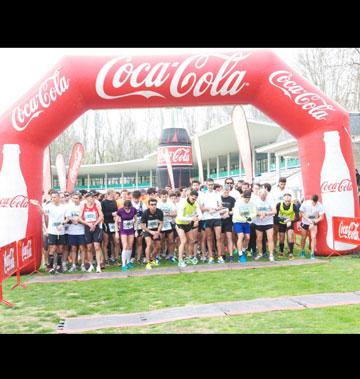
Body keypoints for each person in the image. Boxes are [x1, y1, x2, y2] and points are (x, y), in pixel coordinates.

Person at [30, 192, 67, 274]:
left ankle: (59, 266)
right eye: (52, 197)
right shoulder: (49, 206)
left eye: (55, 197)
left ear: (58, 198)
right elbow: (42, 212)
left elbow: (67, 218)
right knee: (52, 248)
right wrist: (38, 205)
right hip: (52, 231)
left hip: (61, 231)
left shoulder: (63, 207)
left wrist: (62, 224)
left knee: (60, 248)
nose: (53, 199)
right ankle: (50, 266)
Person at [199, 178, 224, 264]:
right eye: (209, 185)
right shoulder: (202, 195)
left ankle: (220, 256)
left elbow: (220, 206)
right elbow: (201, 208)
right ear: (206, 185)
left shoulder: (217, 194)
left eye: (212, 184)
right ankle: (211, 257)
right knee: (209, 238)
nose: (210, 186)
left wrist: (216, 209)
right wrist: (208, 209)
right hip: (206, 218)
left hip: (216, 217)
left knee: (219, 237)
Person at [175, 190, 202, 267]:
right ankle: (180, 260)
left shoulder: (195, 203)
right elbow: (179, 216)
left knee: (192, 240)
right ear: (189, 196)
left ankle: (189, 257)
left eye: (195, 198)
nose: (194, 199)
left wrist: (197, 219)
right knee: (183, 241)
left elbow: (200, 214)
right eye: (192, 198)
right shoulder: (182, 203)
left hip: (188, 224)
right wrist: (191, 219)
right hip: (180, 223)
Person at [79, 192, 104, 273]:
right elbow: (79, 218)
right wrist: (88, 224)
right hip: (87, 227)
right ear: (86, 199)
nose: (91, 199)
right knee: (89, 247)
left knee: (97, 246)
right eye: (89, 198)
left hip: (96, 227)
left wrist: (95, 224)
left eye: (92, 198)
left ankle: (98, 265)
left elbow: (101, 216)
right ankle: (91, 265)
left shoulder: (97, 206)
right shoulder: (83, 207)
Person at [64, 192, 87, 272]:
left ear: (80, 199)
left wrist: (80, 221)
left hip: (81, 230)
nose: (75, 200)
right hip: (72, 231)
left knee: (82, 248)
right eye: (73, 198)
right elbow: (67, 218)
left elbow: (85, 217)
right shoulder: (69, 207)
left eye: (76, 198)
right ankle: (73, 265)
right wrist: (72, 220)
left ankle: (82, 265)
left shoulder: (83, 206)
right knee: (73, 248)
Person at [232, 190, 257, 263]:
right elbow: (236, 215)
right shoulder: (238, 202)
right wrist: (245, 219)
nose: (247, 199)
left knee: (248, 238)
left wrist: (249, 218)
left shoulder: (252, 203)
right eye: (246, 198)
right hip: (238, 221)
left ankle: (243, 250)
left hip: (246, 222)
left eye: (249, 198)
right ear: (243, 196)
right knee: (241, 236)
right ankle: (240, 255)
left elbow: (254, 213)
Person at [252, 188, 277, 262]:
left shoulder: (270, 200)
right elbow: (253, 211)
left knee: (270, 239)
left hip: (268, 222)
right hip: (258, 222)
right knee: (259, 239)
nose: (263, 197)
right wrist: (260, 214)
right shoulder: (255, 201)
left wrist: (266, 213)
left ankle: (271, 255)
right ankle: (260, 253)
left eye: (264, 195)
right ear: (259, 194)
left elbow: (275, 211)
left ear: (266, 194)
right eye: (262, 195)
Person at [299, 194, 325, 259]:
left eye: (315, 202)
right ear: (311, 200)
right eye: (313, 202)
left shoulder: (319, 205)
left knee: (313, 237)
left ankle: (312, 254)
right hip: (305, 222)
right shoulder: (305, 203)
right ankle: (302, 251)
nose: (314, 203)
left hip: (313, 222)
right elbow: (301, 212)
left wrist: (313, 222)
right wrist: (307, 219)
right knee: (303, 237)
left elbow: (321, 217)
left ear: (317, 201)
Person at [275, 193, 300, 260]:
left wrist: (290, 221)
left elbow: (297, 218)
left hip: (290, 223)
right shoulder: (279, 205)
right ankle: (281, 252)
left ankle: (290, 253)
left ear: (291, 200)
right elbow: (275, 217)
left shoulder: (294, 206)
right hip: (281, 223)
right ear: (283, 200)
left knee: (290, 236)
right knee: (281, 237)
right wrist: (283, 220)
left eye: (289, 201)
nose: (287, 202)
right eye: (286, 201)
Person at [141, 199, 164, 270]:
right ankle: (148, 263)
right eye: (152, 204)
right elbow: (142, 226)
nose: (153, 206)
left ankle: (152, 259)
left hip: (156, 230)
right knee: (149, 244)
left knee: (158, 246)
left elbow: (161, 223)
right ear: (149, 205)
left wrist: (157, 232)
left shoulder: (159, 212)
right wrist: (151, 232)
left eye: (155, 204)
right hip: (147, 230)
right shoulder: (145, 213)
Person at [115, 200, 137, 271]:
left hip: (131, 230)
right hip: (123, 230)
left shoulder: (134, 210)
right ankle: (123, 264)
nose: (127, 209)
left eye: (128, 208)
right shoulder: (120, 211)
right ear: (124, 206)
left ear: (131, 206)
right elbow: (116, 222)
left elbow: (136, 220)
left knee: (130, 246)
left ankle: (128, 262)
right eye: (126, 208)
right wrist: (116, 232)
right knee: (125, 246)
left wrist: (136, 230)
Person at [157, 190, 177, 261]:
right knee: (161, 240)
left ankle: (171, 255)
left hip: (169, 223)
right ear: (160, 196)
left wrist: (167, 214)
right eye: (163, 197)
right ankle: (159, 254)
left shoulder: (170, 203)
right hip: (161, 224)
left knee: (171, 240)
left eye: (165, 196)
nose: (164, 198)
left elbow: (175, 213)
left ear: (167, 196)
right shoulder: (158, 204)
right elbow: (156, 215)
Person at [101, 189, 119, 264]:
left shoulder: (114, 201)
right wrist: (111, 214)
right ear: (109, 193)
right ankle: (106, 259)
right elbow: (103, 214)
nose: (115, 194)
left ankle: (116, 259)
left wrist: (116, 216)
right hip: (106, 223)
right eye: (114, 193)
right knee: (106, 242)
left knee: (116, 242)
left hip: (113, 223)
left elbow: (116, 211)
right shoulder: (103, 202)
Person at [220, 185, 236, 261]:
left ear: (229, 190)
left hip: (228, 221)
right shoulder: (219, 198)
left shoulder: (232, 199)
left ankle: (231, 256)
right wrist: (221, 214)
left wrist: (228, 213)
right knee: (221, 239)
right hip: (220, 221)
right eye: (224, 190)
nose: (226, 191)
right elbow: (216, 209)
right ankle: (223, 255)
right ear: (222, 190)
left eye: (227, 190)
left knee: (229, 238)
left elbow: (234, 210)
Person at [132, 190, 147, 264]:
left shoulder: (142, 204)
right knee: (132, 242)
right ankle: (132, 257)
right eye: (135, 198)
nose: (136, 200)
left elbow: (145, 214)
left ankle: (139, 258)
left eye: (137, 198)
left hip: (140, 226)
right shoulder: (130, 204)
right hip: (132, 226)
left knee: (140, 242)